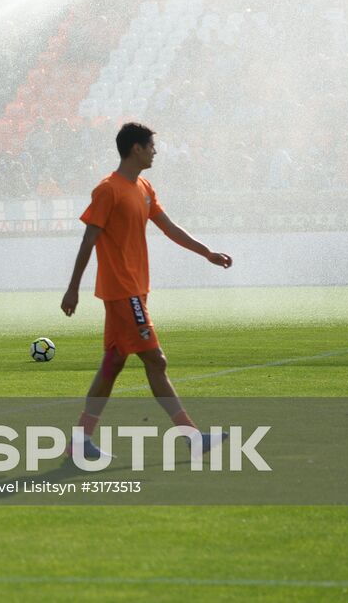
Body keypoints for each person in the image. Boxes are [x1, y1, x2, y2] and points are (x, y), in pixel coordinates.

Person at [60, 122, 233, 459]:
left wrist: (206, 252)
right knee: (156, 359)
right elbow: (88, 240)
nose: (156, 151)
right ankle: (193, 437)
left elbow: (168, 227)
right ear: (135, 148)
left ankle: (79, 443)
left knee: (112, 365)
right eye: (151, 145)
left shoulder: (143, 187)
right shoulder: (108, 189)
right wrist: (72, 289)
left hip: (135, 291)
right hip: (122, 291)